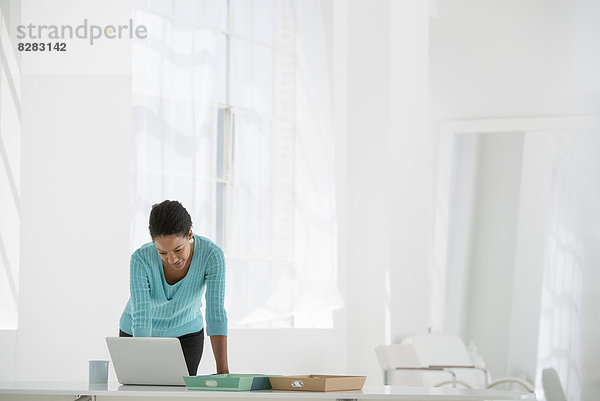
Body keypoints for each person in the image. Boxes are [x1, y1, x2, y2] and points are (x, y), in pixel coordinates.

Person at [119, 200, 229, 376]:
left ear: (190, 234)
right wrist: (141, 363)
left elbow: (216, 313)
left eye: (178, 249)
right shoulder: (140, 259)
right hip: (137, 333)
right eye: (162, 252)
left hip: (186, 335)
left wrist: (223, 372)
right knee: (139, 392)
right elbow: (141, 316)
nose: (172, 259)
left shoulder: (212, 255)